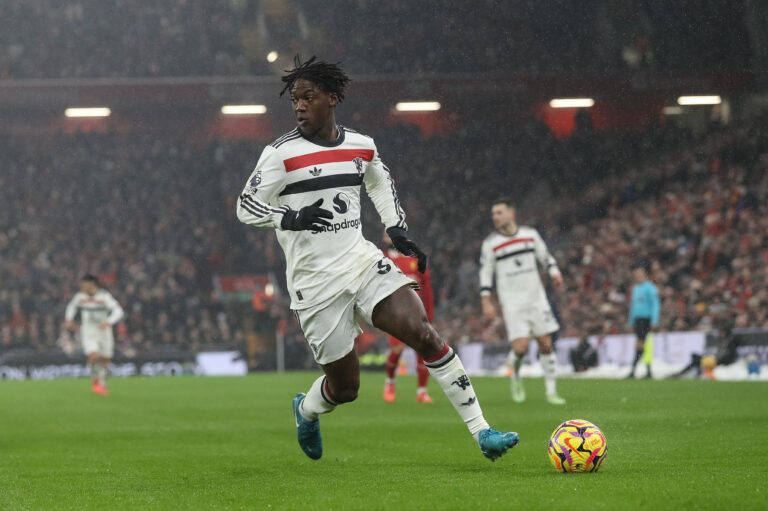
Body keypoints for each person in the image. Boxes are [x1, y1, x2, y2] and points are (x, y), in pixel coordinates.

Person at [236, 56, 519, 461]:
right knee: (345, 388)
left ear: (331, 98)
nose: (298, 106)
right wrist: (290, 216)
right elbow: (245, 206)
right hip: (314, 283)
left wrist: (396, 227)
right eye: (294, 99)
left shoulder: (360, 146)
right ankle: (306, 409)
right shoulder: (280, 154)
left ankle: (482, 432)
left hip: (361, 261)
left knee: (423, 333)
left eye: (307, 97)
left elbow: (378, 179)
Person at [479, 198, 566, 405]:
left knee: (546, 343)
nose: (495, 217)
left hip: (536, 299)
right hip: (512, 303)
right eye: (493, 214)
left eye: (499, 213)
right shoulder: (491, 243)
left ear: (511, 213)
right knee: (520, 349)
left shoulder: (530, 235)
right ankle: (516, 377)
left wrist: (554, 272)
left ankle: (551, 391)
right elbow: (485, 273)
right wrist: (486, 301)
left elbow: (546, 258)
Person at [381, 231, 434, 403]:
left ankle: (422, 392)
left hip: (416, 313)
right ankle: (390, 381)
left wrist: (429, 316)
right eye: (387, 234)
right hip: (393, 314)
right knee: (397, 350)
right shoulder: (380, 259)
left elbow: (427, 290)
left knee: (423, 350)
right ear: (384, 239)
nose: (390, 237)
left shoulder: (416, 259)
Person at [64, 274, 124, 395]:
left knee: (105, 360)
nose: (82, 286)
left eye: (84, 284)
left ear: (92, 284)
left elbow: (118, 311)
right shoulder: (80, 297)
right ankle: (96, 382)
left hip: (104, 331)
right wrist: (69, 319)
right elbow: (71, 306)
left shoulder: (104, 297)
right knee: (94, 355)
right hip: (88, 330)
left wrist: (108, 322)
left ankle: (101, 382)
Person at [626, 261, 660, 379]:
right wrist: (631, 322)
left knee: (641, 344)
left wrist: (654, 321)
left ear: (645, 275)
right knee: (643, 345)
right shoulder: (635, 289)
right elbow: (633, 307)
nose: (637, 277)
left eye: (639, 274)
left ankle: (634, 370)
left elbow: (655, 305)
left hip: (646, 319)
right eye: (636, 275)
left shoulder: (650, 288)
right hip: (638, 320)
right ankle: (647, 371)